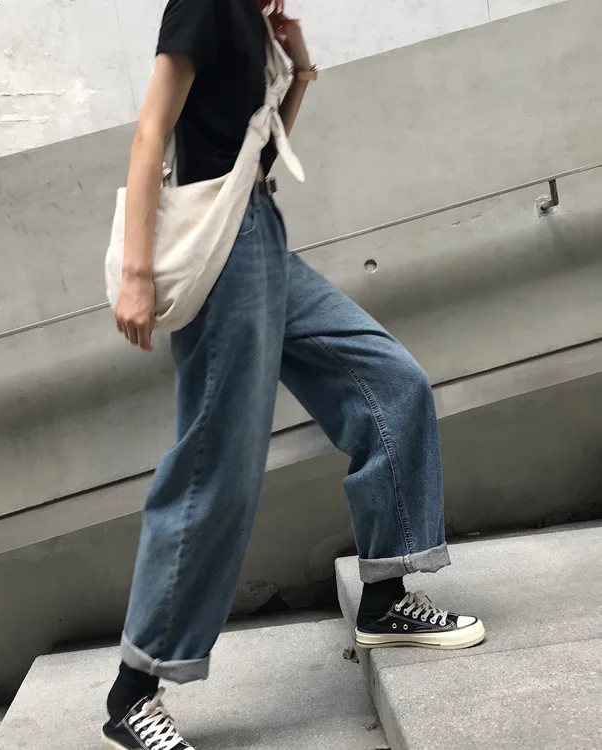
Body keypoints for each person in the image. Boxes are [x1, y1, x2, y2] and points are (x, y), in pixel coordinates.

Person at [103, 1, 485, 747]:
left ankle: (386, 598)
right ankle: (133, 691)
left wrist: (297, 60)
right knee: (215, 467)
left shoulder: (252, 18)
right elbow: (152, 131)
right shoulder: (204, 4)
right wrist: (138, 275)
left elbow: (263, 149)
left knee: (390, 383)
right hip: (222, 256)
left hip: (261, 234)